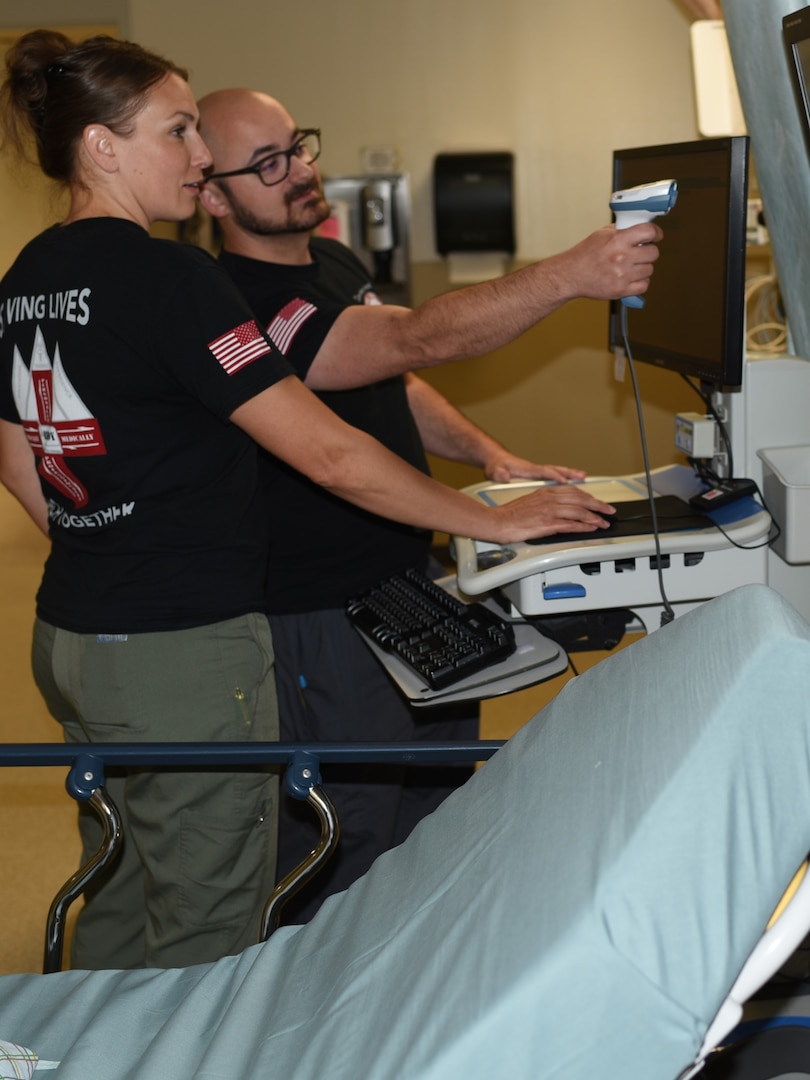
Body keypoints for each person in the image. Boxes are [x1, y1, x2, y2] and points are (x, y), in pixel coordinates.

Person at [0, 33, 631, 971]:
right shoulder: (176, 278)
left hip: (79, 632)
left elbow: (24, 458)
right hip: (184, 646)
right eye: (179, 132)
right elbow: (331, 453)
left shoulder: (26, 281)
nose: (200, 154)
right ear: (103, 146)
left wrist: (109, 550)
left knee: (125, 876)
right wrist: (492, 519)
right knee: (214, 913)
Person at [195, 89, 663, 922]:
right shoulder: (238, 303)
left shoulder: (330, 264)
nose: (300, 171)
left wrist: (491, 456)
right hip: (318, 611)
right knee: (348, 826)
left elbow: (398, 379)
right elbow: (419, 340)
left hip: (402, 576)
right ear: (212, 194)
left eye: (296, 146)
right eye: (267, 165)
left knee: (440, 798)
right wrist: (571, 275)